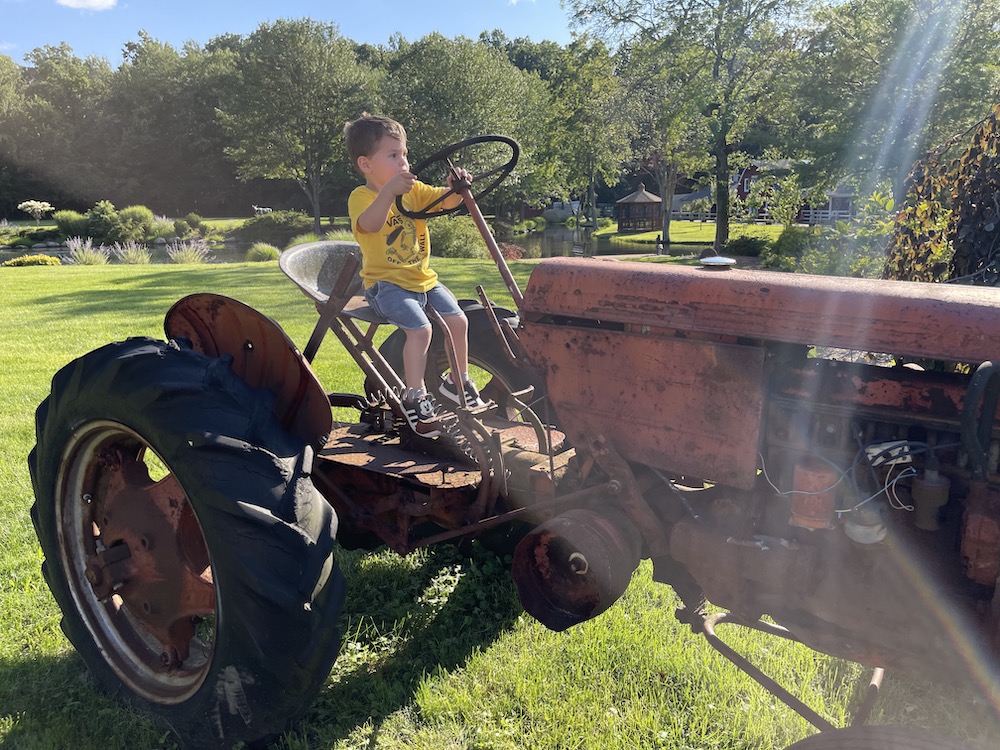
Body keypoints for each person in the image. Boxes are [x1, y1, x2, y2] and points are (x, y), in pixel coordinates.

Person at [344, 113, 486, 438]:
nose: (403, 161)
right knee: (420, 331)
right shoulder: (362, 197)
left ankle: (457, 382)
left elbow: (445, 202)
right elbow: (371, 224)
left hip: (424, 279)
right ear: (366, 165)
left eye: (404, 153)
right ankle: (415, 396)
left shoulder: (414, 191)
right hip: (386, 286)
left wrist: (455, 188)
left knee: (458, 321)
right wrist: (389, 193)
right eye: (393, 155)